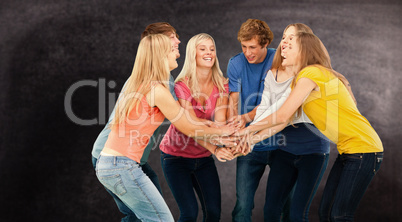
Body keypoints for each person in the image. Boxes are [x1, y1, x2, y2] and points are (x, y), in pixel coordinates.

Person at [236, 24, 384, 222]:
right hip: (349, 151)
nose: (283, 47)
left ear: (304, 50)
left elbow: (281, 115)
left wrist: (247, 131)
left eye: (290, 44)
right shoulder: (302, 82)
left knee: (339, 215)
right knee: (326, 213)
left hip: (365, 149)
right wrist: (250, 141)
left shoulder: (312, 74)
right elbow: (284, 120)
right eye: (283, 42)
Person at [95, 34, 235, 221]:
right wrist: (224, 132)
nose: (177, 54)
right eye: (172, 50)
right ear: (160, 55)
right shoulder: (157, 90)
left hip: (114, 165)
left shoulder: (146, 83)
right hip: (121, 166)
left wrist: (214, 128)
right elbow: (188, 127)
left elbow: (188, 120)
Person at [91, 22, 180, 222]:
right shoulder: (157, 81)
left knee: (140, 214)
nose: (178, 40)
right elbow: (183, 119)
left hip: (118, 157)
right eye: (173, 36)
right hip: (113, 156)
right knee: (145, 215)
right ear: (159, 44)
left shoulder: (154, 77)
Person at [249, 23, 331, 222]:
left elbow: (282, 114)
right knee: (270, 211)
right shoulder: (273, 74)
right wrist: (248, 136)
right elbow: (265, 110)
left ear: (304, 44)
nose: (284, 42)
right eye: (284, 37)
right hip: (284, 151)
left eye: (291, 38)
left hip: (313, 152)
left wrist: (247, 135)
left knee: (296, 215)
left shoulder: (309, 75)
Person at [160, 33, 234, 222]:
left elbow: (219, 124)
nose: (209, 53)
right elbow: (190, 126)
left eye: (212, 49)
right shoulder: (181, 85)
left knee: (214, 213)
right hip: (175, 157)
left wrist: (229, 143)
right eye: (203, 49)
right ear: (193, 53)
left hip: (203, 158)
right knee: (189, 213)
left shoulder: (222, 85)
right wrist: (215, 148)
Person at [226, 18, 291, 221]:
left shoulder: (279, 60)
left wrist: (246, 119)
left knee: (283, 206)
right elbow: (233, 102)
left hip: (281, 144)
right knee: (242, 206)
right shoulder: (235, 63)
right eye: (244, 47)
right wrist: (232, 126)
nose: (248, 52)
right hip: (249, 145)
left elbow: (274, 104)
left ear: (265, 44)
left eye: (252, 47)